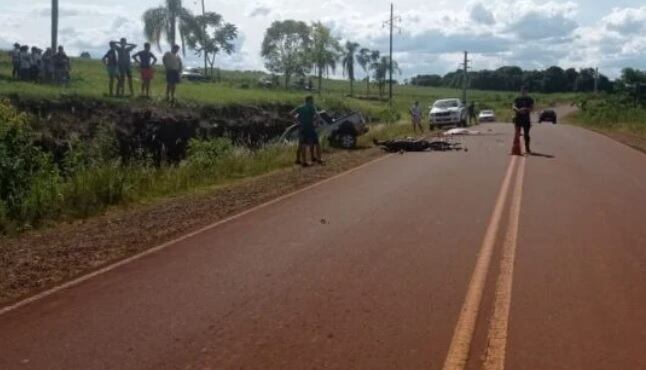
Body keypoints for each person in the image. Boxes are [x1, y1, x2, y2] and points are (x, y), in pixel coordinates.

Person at [290, 95, 323, 167]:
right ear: (310, 100)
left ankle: (302, 161)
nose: (313, 101)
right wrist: (317, 124)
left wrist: (296, 122)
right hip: (310, 127)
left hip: (302, 127)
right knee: (316, 143)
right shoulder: (311, 106)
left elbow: (291, 113)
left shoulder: (300, 107)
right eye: (312, 100)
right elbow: (317, 115)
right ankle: (319, 159)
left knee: (302, 144)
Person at [512, 87, 535, 154]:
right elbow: (513, 106)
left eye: (525, 91)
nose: (523, 92)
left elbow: (532, 108)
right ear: (520, 91)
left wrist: (526, 109)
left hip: (526, 119)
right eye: (522, 91)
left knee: (526, 134)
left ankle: (527, 148)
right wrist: (518, 110)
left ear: (527, 92)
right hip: (518, 118)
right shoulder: (517, 99)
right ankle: (516, 149)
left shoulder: (530, 99)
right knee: (517, 134)